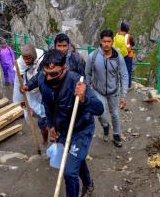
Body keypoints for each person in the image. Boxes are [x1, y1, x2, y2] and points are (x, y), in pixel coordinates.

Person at [21, 49, 104, 197]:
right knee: (77, 159)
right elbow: (47, 102)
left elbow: (99, 109)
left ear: (64, 68)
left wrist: (84, 98)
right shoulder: (42, 78)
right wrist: (51, 124)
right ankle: (88, 183)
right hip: (63, 130)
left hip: (80, 130)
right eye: (46, 73)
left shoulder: (77, 82)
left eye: (54, 74)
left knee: (69, 172)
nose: (49, 78)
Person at [85, 29, 128, 147]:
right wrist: (88, 91)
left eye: (109, 41)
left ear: (112, 41)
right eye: (104, 41)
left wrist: (123, 96)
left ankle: (116, 135)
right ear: (100, 41)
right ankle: (105, 126)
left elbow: (124, 75)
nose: (106, 44)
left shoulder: (118, 57)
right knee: (101, 113)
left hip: (114, 91)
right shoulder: (92, 56)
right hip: (98, 91)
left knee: (115, 114)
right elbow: (87, 74)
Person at [13, 44, 49, 144]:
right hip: (28, 89)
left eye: (29, 58)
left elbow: (41, 76)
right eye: (25, 58)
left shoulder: (43, 58)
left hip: (42, 88)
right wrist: (20, 99)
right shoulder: (20, 63)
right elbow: (17, 82)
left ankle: (46, 136)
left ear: (34, 56)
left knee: (43, 119)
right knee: (28, 116)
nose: (27, 61)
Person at [114, 22, 135, 89]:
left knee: (120, 71)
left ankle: (119, 84)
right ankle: (128, 86)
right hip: (128, 55)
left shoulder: (117, 35)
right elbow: (133, 43)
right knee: (128, 71)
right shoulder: (128, 36)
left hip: (119, 56)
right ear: (127, 29)